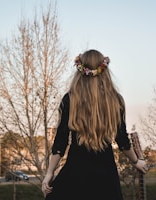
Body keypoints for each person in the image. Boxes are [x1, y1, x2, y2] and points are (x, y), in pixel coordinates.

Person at [42, 49, 148, 200]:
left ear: (80, 71)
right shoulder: (115, 100)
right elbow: (122, 140)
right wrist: (136, 161)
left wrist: (50, 173)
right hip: (106, 175)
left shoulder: (70, 99)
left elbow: (60, 142)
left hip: (75, 172)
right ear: (104, 70)